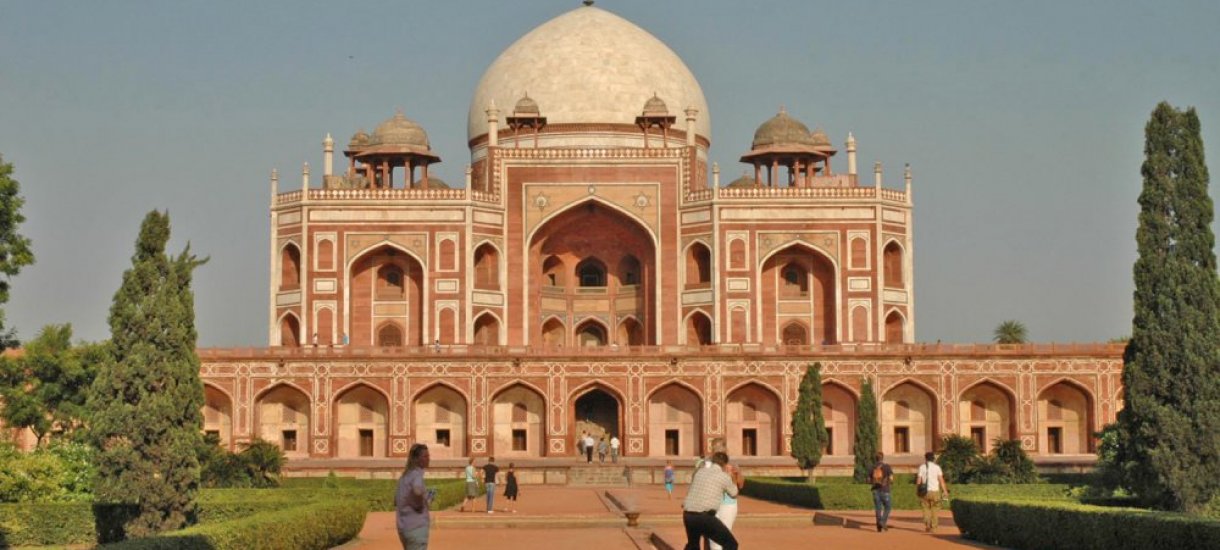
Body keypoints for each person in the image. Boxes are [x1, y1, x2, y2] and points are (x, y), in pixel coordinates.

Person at [681, 452, 738, 550]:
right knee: (731, 544)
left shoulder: (700, 472)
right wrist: (732, 477)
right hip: (704, 517)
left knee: (693, 545)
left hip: (688, 514)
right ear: (725, 464)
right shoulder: (723, 476)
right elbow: (734, 494)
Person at [395, 443, 432, 549]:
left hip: (404, 527)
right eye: (425, 456)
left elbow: (396, 500)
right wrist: (420, 504)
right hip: (416, 528)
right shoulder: (416, 475)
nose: (428, 459)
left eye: (428, 456)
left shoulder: (404, 477)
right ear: (416, 459)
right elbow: (417, 491)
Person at [709, 458, 744, 550]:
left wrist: (737, 473)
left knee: (725, 531)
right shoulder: (714, 467)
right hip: (713, 504)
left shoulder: (733, 466)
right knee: (712, 533)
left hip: (728, 505)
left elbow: (740, 485)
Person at [916, 451, 950, 532]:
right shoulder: (937, 467)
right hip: (935, 491)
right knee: (935, 509)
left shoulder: (922, 467)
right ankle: (933, 527)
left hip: (924, 491)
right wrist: (945, 491)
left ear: (925, 458)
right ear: (933, 459)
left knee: (925, 508)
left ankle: (927, 523)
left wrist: (917, 490)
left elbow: (919, 480)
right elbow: (941, 480)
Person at [870, 451, 895, 532]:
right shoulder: (887, 466)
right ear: (882, 458)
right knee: (888, 507)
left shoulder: (872, 467)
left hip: (875, 490)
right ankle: (882, 521)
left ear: (875, 458)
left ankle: (879, 527)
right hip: (885, 490)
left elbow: (868, 479)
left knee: (878, 508)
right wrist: (890, 482)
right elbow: (891, 478)